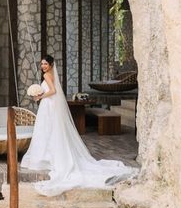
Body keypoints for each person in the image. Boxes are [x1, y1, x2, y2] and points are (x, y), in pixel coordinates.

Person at [21, 55, 137, 195]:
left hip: (48, 105)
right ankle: (48, 156)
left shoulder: (47, 75)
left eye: (45, 64)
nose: (43, 66)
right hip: (50, 106)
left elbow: (53, 91)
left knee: (46, 130)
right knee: (49, 131)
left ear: (51, 65)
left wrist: (40, 96)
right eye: (42, 64)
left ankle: (45, 157)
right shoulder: (50, 74)